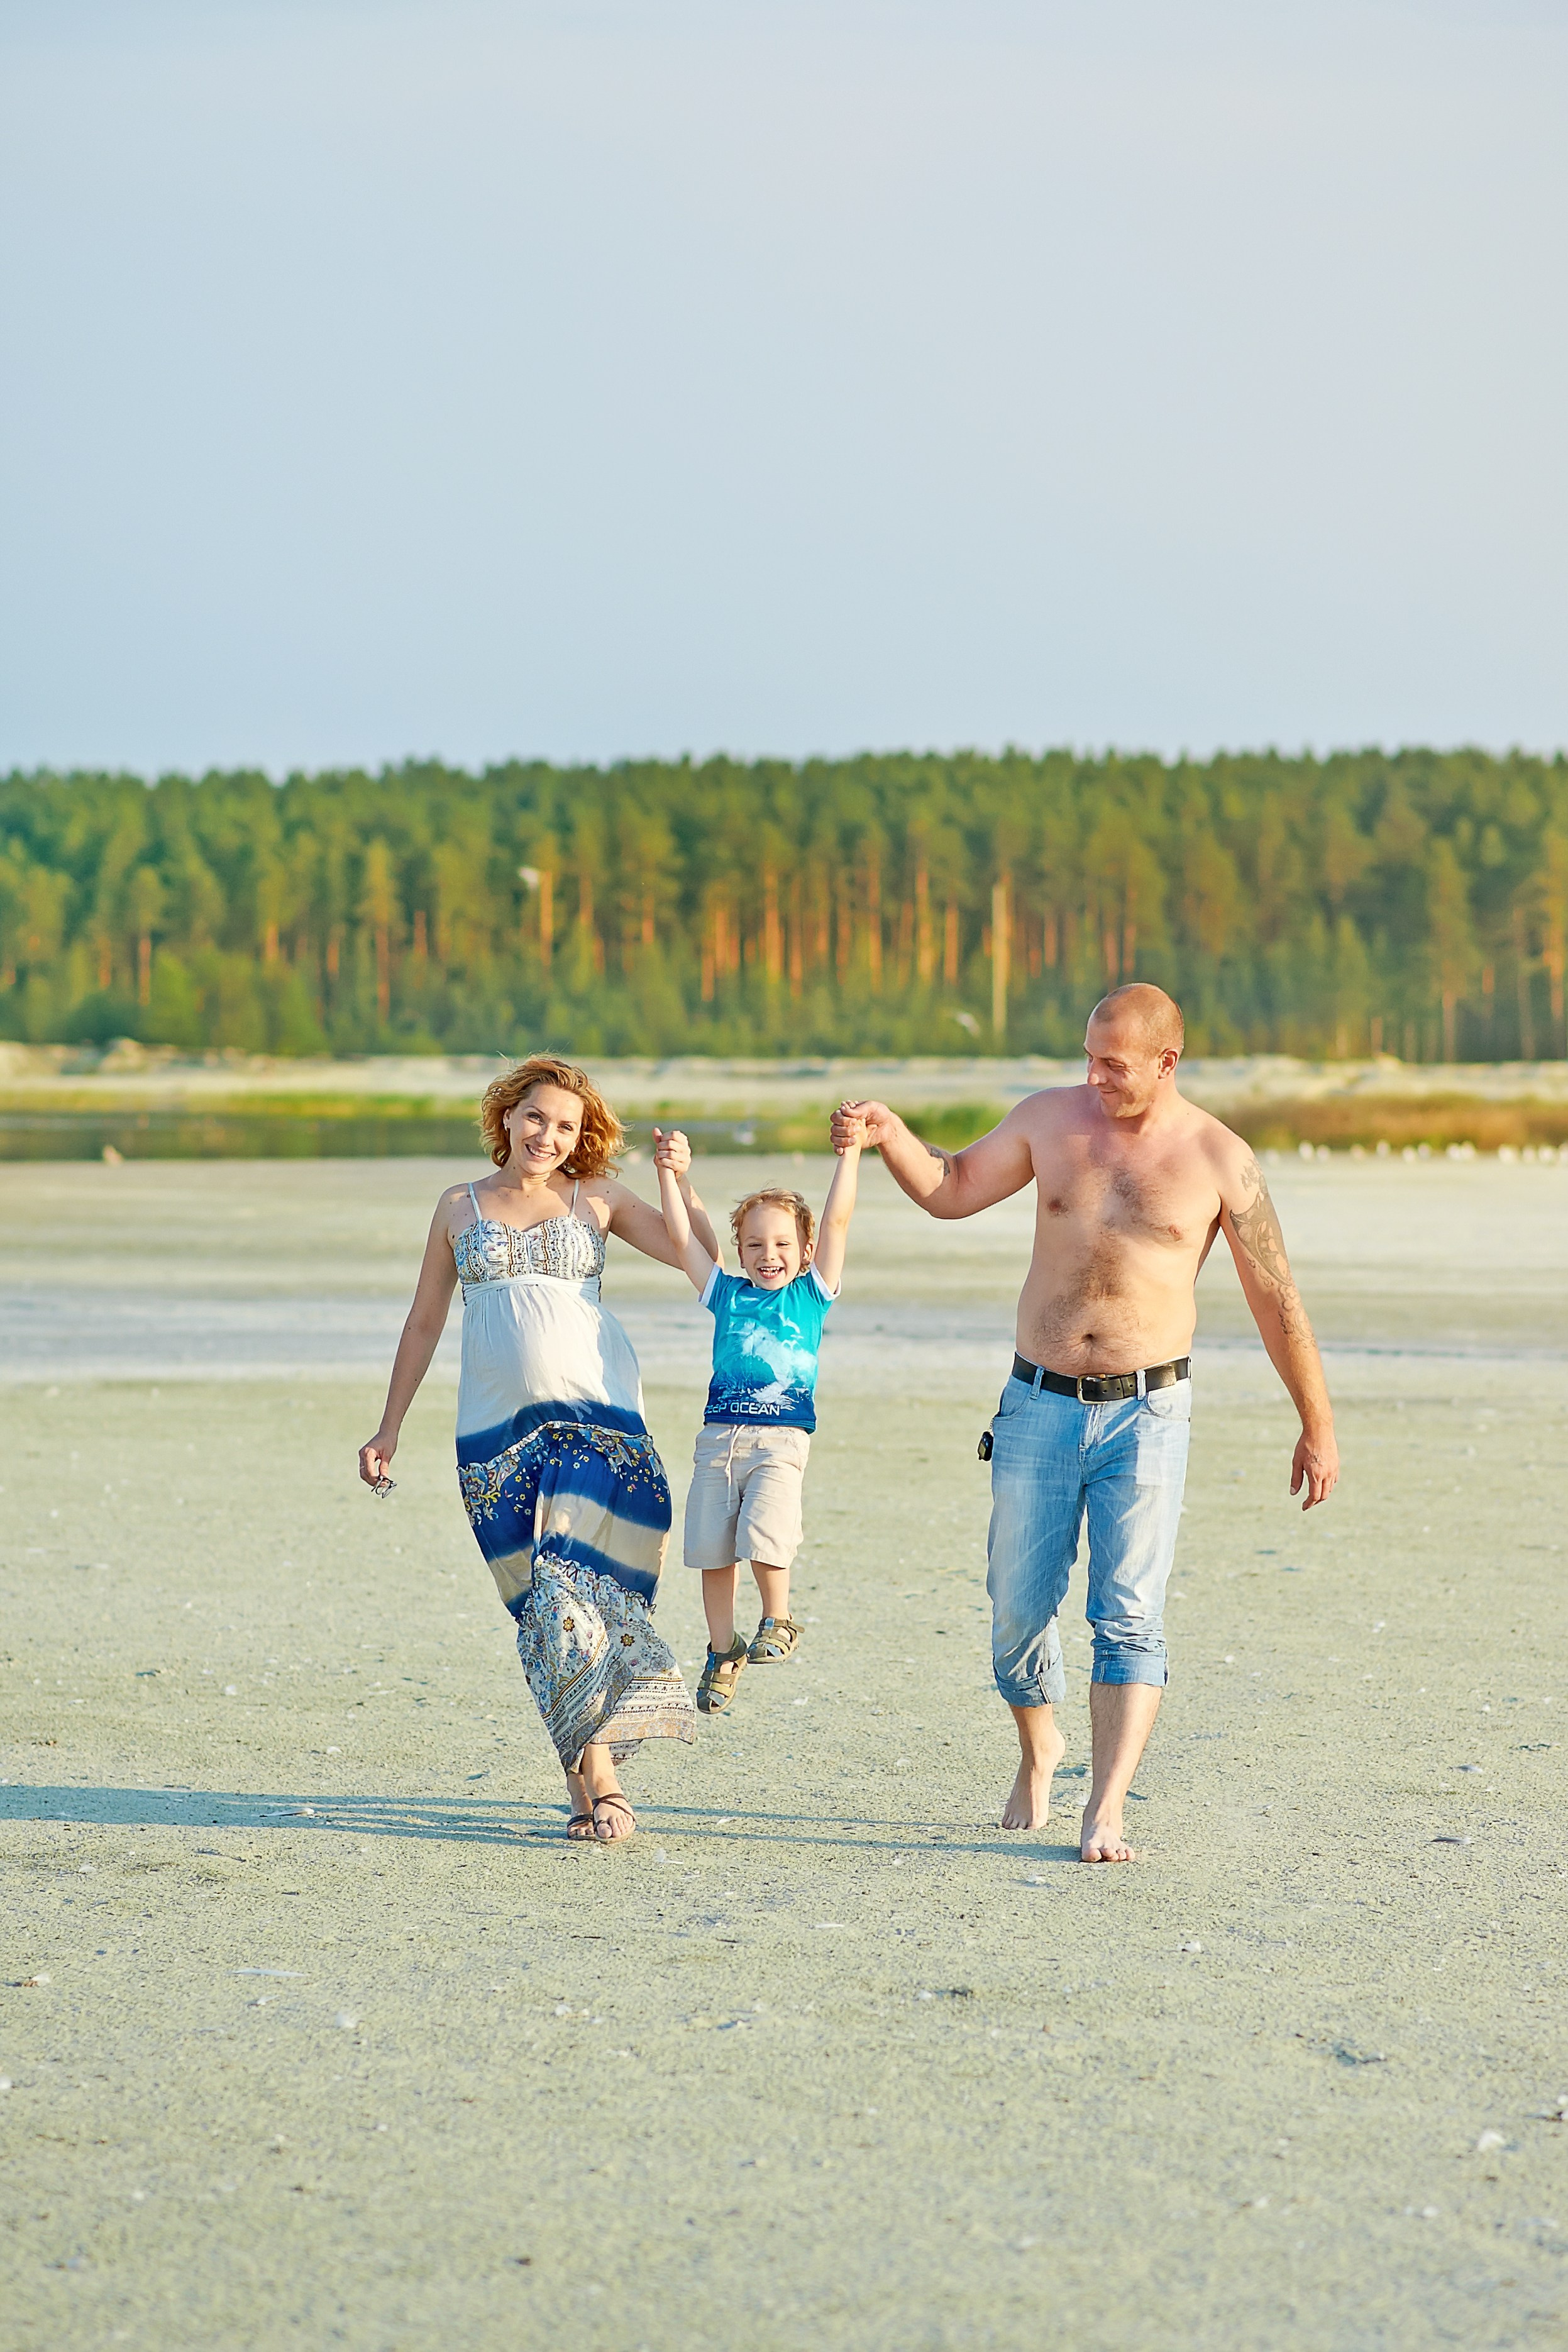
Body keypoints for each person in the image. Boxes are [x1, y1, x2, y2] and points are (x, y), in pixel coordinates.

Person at [833, 983, 1339, 1864]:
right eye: (1087, 1058)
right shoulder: (1049, 1121)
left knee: (1128, 1615)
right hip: (1036, 1404)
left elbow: (1275, 1299)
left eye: (1112, 1063)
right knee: (1016, 1615)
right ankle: (1040, 1751)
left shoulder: (1220, 1158)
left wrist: (1315, 1423)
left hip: (1150, 1412)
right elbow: (950, 1189)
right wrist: (889, 1136)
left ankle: (1104, 1810)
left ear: (1165, 1063)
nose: (1093, 1076)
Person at [358, 1055, 722, 1844]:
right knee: (543, 1615)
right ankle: (582, 1784)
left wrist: (679, 1179)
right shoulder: (459, 1206)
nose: (547, 1135)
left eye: (565, 1125)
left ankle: (605, 1781)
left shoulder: (596, 1198)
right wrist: (390, 1426)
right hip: (495, 1441)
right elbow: (423, 1321)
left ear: (581, 1136)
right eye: (535, 1117)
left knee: (576, 1604)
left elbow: (701, 1260)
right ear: (506, 1117)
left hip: (600, 1426)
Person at [655, 1118, 864, 1716]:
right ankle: (723, 1652)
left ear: (804, 1252)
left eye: (781, 1245)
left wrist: (848, 1155)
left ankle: (779, 1618)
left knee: (766, 1533)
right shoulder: (724, 1292)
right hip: (717, 1438)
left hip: (781, 1439)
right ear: (739, 1250)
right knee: (710, 1551)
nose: (767, 1256)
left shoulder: (810, 1293)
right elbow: (679, 1239)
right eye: (754, 1245)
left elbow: (840, 1219)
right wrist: (670, 1175)